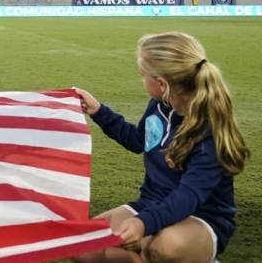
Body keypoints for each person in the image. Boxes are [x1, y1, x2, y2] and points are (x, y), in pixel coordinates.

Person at [74, 32, 250, 263]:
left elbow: (188, 196)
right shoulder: (159, 105)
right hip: (151, 203)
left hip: (201, 216)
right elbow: (139, 141)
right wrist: (98, 111)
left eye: (142, 75)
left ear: (161, 84)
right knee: (85, 247)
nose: (141, 80)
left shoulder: (210, 131)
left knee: (164, 247)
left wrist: (144, 223)